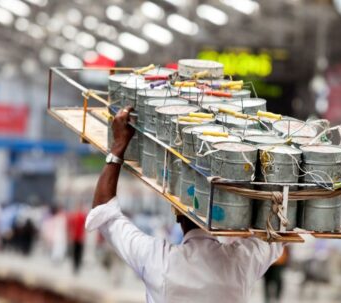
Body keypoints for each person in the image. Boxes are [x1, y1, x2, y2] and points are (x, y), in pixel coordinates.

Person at [86, 106, 284, 303]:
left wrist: (119, 145)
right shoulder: (242, 262)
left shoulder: (159, 261)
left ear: (177, 213)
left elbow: (104, 212)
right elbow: (280, 226)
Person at [68, 203, 87, 274]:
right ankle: (76, 267)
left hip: (77, 237)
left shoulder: (76, 216)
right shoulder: (81, 216)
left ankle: (75, 267)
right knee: (78, 253)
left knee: (76, 252)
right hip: (78, 237)